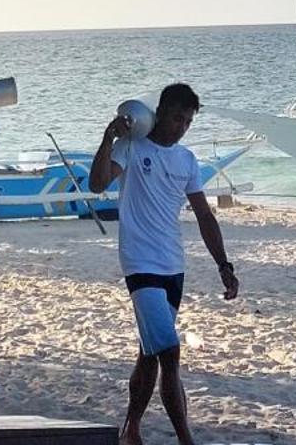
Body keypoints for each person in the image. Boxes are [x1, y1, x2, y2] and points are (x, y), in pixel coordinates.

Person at [89, 84, 238, 445]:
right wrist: (109, 136)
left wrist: (224, 264)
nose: (181, 126)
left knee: (150, 352)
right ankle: (185, 438)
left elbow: (204, 215)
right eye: (176, 118)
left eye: (188, 121)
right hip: (140, 263)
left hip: (174, 265)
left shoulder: (187, 160)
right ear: (161, 112)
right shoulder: (131, 146)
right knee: (170, 352)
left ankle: (131, 429)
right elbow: (96, 184)